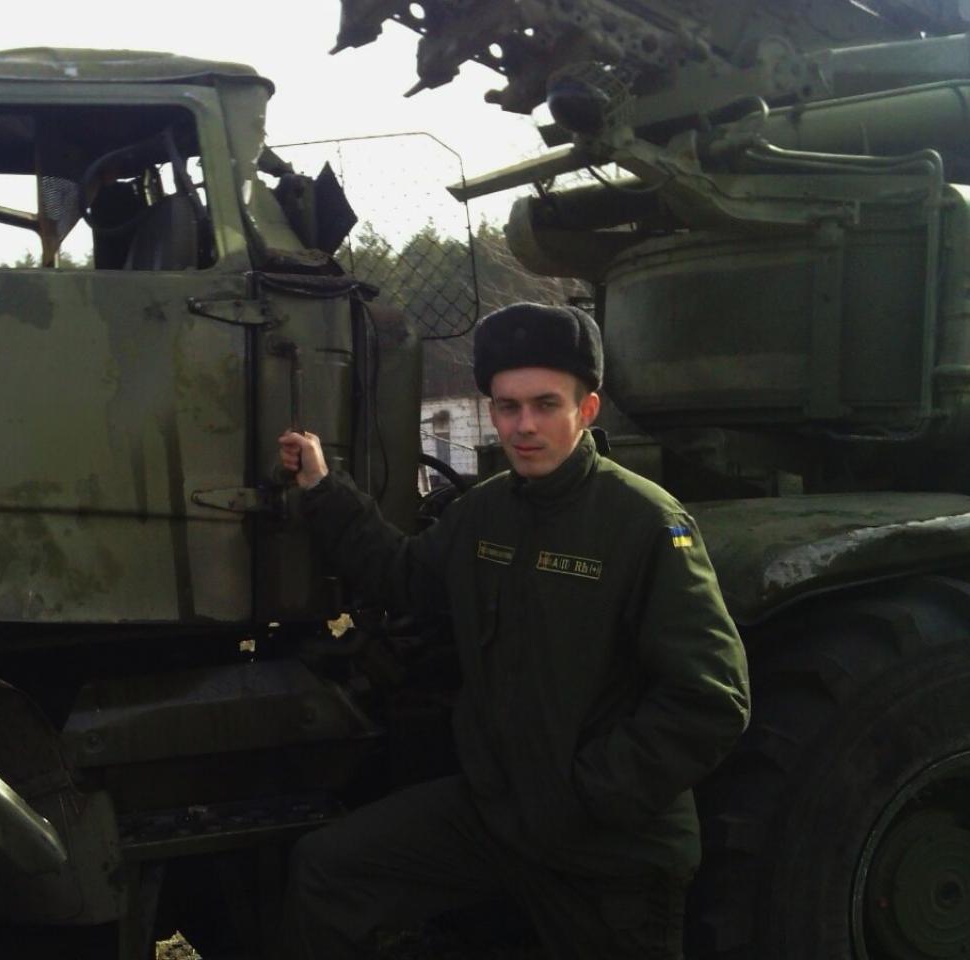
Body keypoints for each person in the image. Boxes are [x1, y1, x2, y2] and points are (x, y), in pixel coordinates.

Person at [276, 302, 750, 959]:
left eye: (545, 405)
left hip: (605, 848)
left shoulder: (645, 523)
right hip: (497, 820)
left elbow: (711, 700)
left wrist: (587, 795)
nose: (524, 427)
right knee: (328, 871)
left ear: (587, 410)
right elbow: (403, 576)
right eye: (507, 407)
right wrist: (324, 488)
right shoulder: (485, 513)